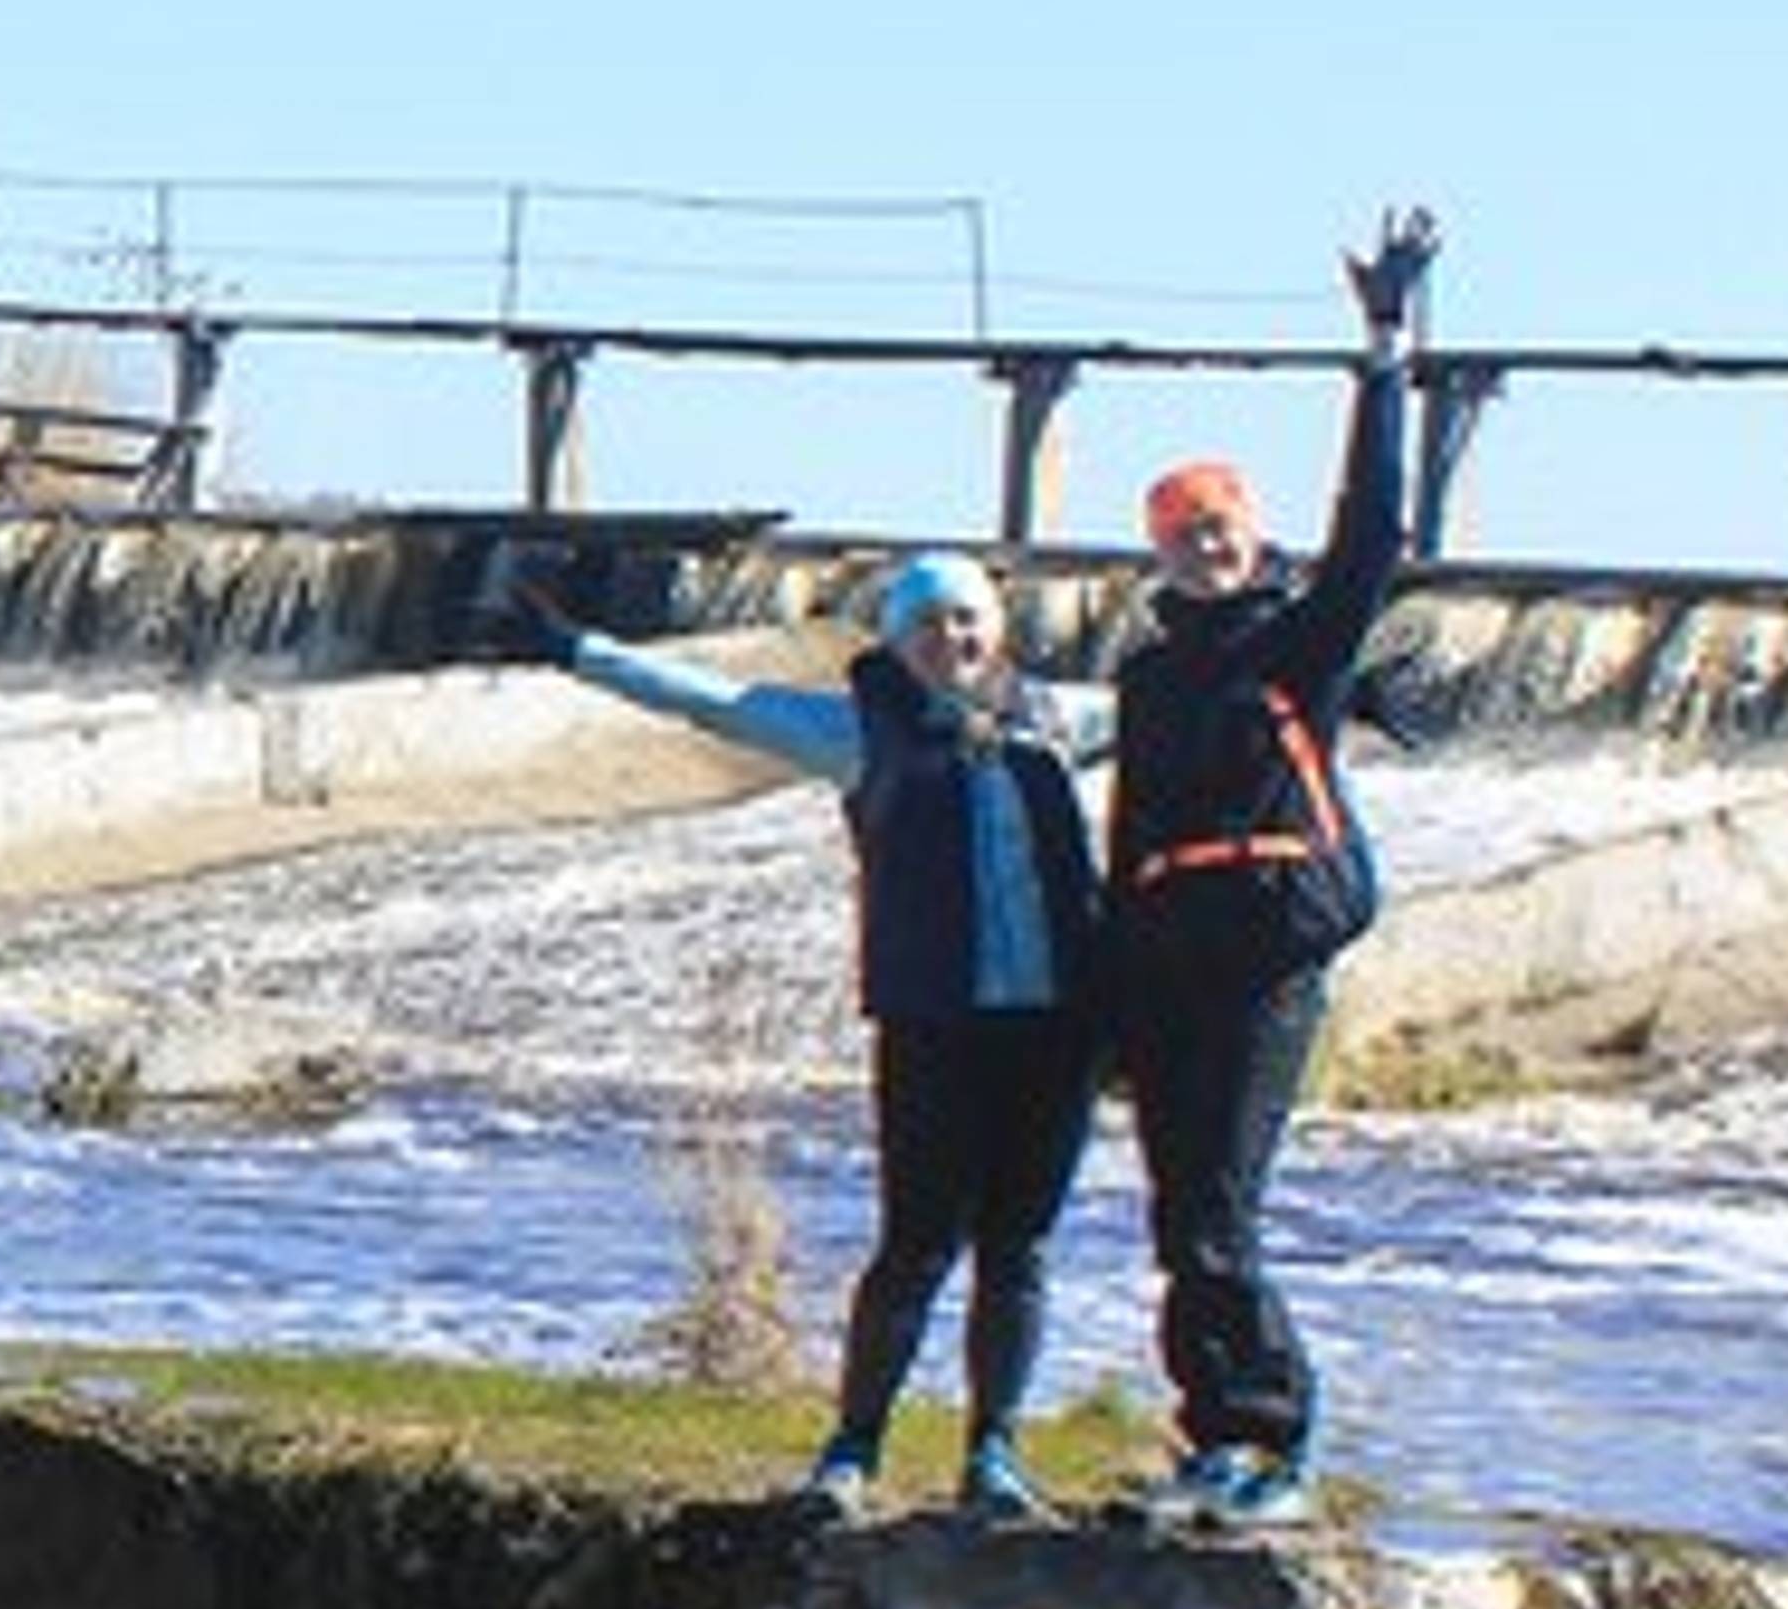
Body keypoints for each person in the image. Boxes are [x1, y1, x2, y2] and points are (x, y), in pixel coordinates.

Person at [521, 539, 1104, 1525]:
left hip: (1057, 1030)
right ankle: (851, 1450)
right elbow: (713, 701)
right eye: (925, 622)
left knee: (1020, 1248)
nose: (948, 637)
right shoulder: (855, 732)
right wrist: (579, 650)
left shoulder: (1056, 719)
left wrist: (1333, 689)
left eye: (965, 618)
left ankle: (994, 1454)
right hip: (935, 1026)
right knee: (917, 1245)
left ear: (994, 631)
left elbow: (1186, 715)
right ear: (896, 639)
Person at [1097, 206, 1442, 1526]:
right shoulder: (1151, 674)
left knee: (1219, 1212)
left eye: (1222, 525)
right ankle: (1212, 1433)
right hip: (1172, 962)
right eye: (1185, 531)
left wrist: (1383, 350)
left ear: (1252, 532)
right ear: (1159, 551)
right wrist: (1109, 1005)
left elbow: (1375, 531)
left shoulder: (1301, 642)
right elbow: (1129, 843)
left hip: (1270, 960)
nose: (1207, 545)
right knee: (1181, 1212)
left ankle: (1271, 1432)